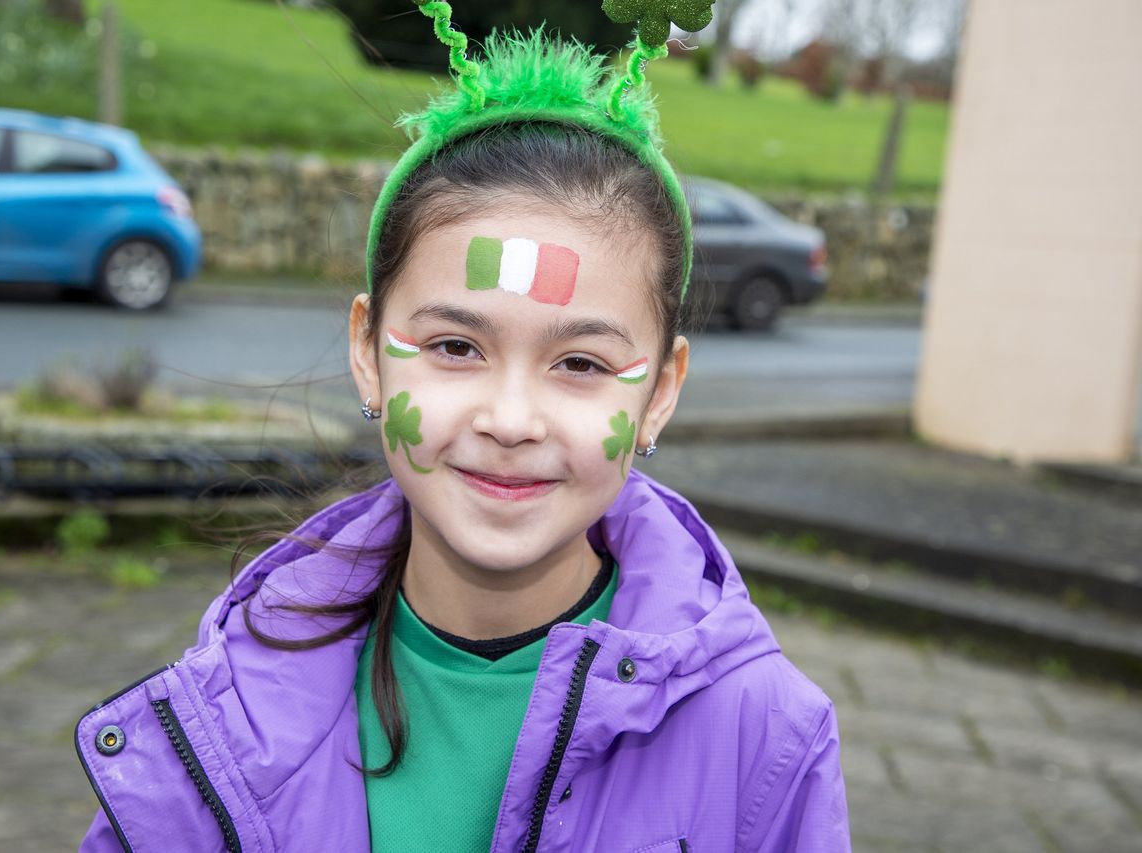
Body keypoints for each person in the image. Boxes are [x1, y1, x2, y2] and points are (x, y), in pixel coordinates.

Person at [75, 7, 850, 851]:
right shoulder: (227, 705)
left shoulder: (766, 738)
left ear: (659, 392)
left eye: (582, 364)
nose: (510, 420)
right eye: (455, 346)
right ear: (369, 352)